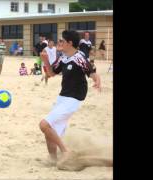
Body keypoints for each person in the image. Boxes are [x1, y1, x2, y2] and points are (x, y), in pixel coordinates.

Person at [39, 30, 101, 167]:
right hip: (63, 97)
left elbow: (91, 72)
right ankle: (53, 159)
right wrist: (44, 61)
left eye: (61, 41)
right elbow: (51, 73)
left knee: (44, 125)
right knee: (49, 131)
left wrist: (97, 80)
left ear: (70, 43)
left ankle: (66, 151)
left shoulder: (79, 57)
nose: (58, 43)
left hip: (74, 99)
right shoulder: (63, 57)